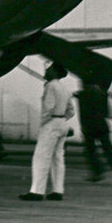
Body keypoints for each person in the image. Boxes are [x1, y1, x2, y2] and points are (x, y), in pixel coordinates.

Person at [19, 62, 75, 201]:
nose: (46, 71)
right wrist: (61, 119)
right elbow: (71, 110)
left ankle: (37, 191)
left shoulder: (50, 86)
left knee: (41, 157)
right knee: (58, 158)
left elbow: (48, 108)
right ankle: (58, 190)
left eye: (49, 69)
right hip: (61, 122)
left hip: (51, 123)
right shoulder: (65, 88)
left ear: (55, 71)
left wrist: (43, 124)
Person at [74, 83, 112, 186]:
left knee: (90, 150)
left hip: (89, 127)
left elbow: (83, 115)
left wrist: (83, 127)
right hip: (102, 126)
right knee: (109, 151)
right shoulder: (103, 94)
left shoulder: (83, 95)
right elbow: (107, 113)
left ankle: (97, 171)